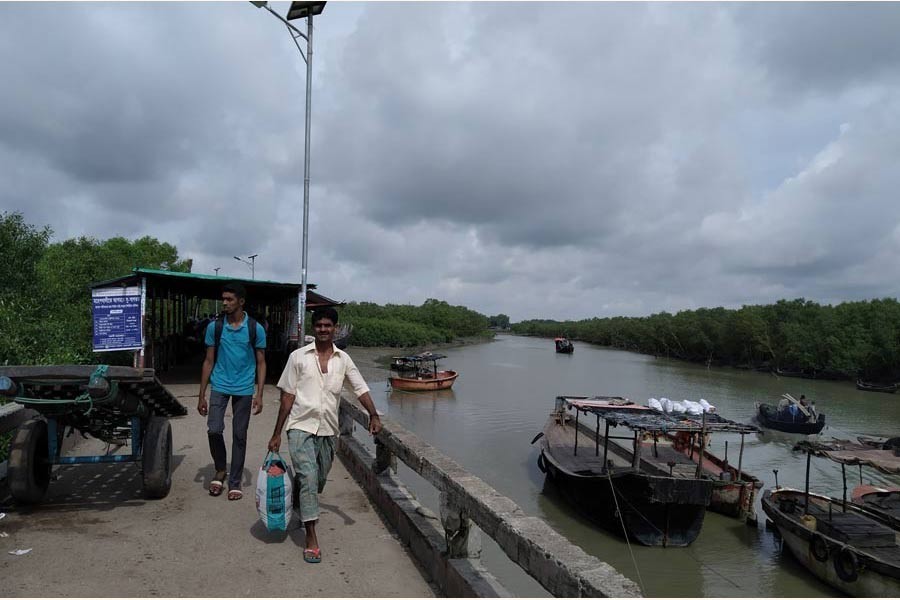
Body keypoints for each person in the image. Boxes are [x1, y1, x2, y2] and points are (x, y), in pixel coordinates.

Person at [268, 306, 382, 564]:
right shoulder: (298, 357)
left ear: (336, 329)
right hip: (300, 426)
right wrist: (276, 433)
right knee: (308, 476)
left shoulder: (343, 360)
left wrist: (374, 414)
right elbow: (287, 397)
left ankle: (299, 497)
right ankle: (311, 536)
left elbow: (360, 388)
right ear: (313, 328)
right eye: (318, 325)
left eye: (327, 325)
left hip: (329, 431)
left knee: (316, 481)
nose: (323, 329)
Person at [198, 282, 267, 500]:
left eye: (229, 299)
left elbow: (261, 362)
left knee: (239, 435)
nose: (224, 303)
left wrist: (260, 394)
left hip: (244, 388)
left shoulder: (255, 328)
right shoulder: (215, 327)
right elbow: (208, 361)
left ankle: (235, 481)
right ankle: (220, 469)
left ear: (241, 302)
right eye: (223, 299)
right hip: (219, 385)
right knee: (214, 429)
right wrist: (202, 394)